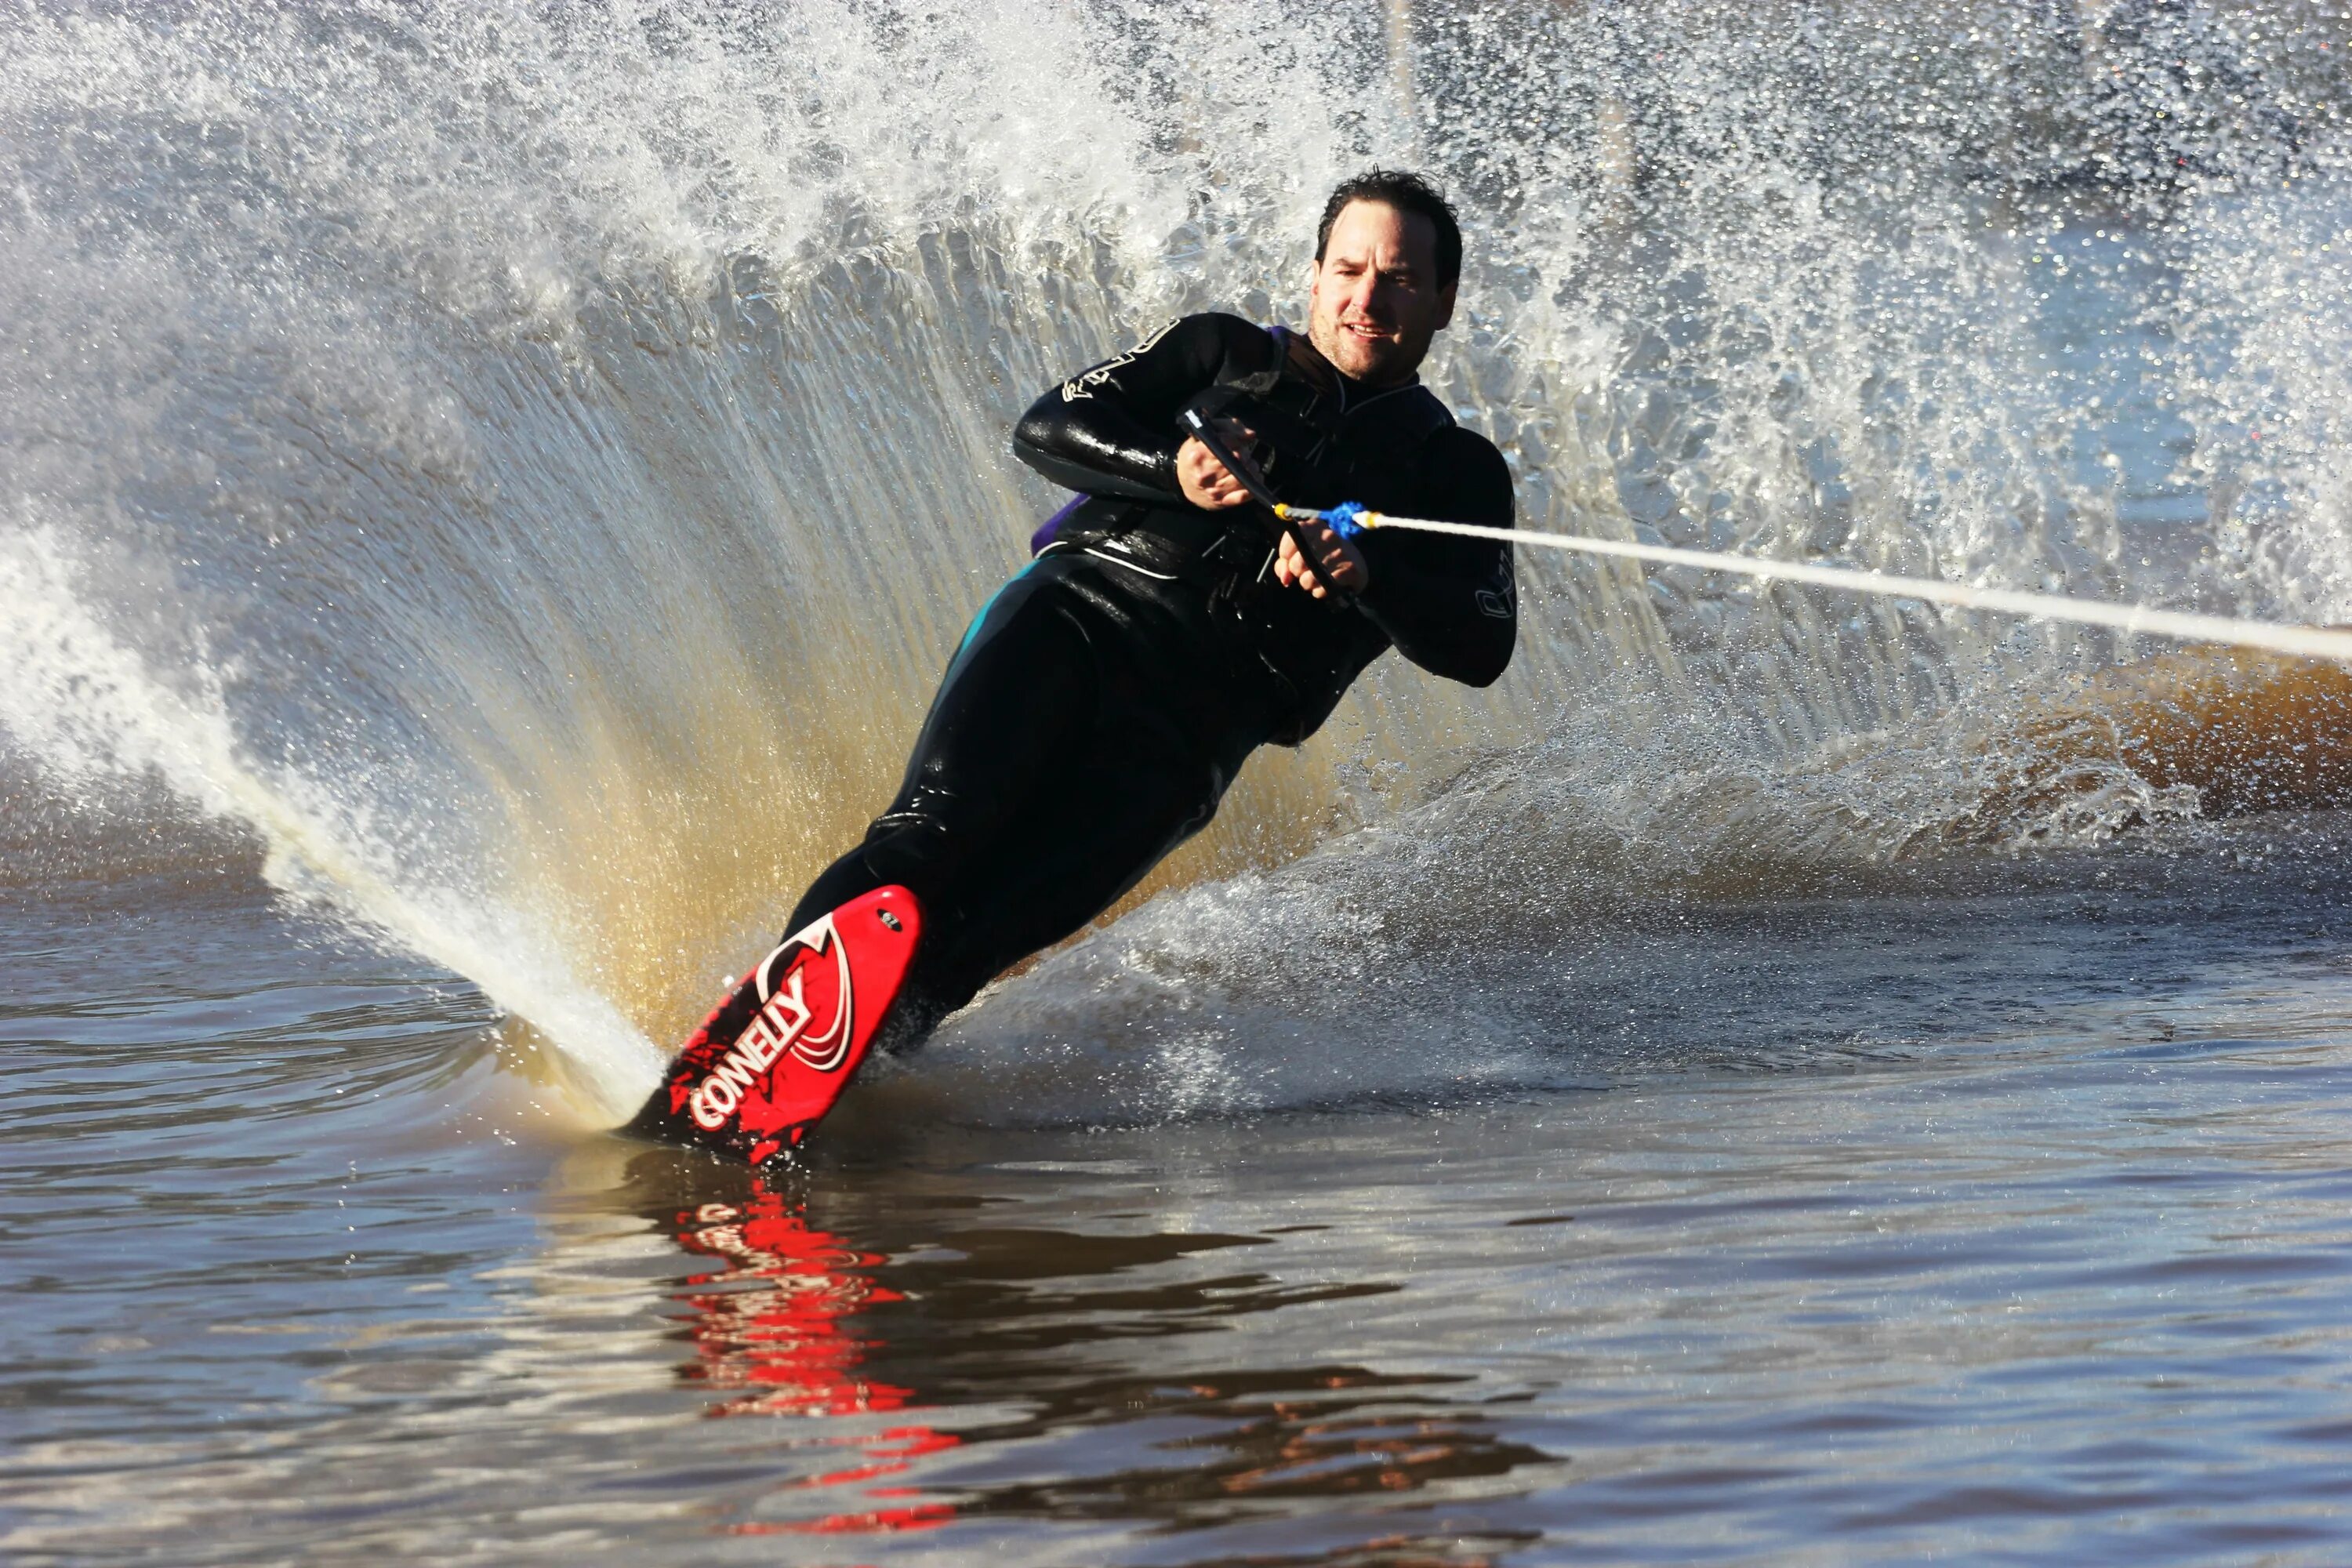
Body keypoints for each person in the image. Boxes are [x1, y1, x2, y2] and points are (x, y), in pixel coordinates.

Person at [783, 168, 1518, 1050]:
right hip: (1076, 621)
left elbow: (1482, 643)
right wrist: (1172, 469)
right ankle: (775, 1022)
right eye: (1350, 269)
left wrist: (1370, 579)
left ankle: (822, 1086)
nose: (1369, 297)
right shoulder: (1222, 355)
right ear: (1317, 276)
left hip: (1191, 738)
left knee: (978, 938)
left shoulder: (1457, 470)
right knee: (926, 841)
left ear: (1443, 299)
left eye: (1399, 277)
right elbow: (1048, 423)